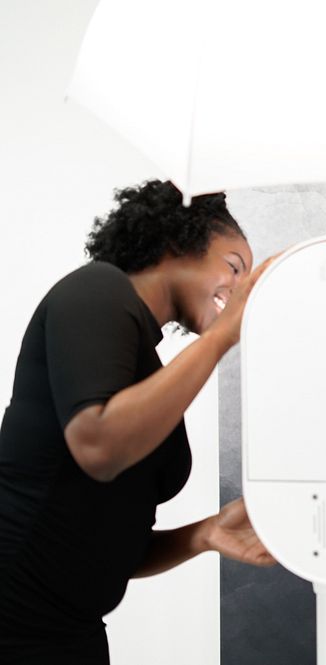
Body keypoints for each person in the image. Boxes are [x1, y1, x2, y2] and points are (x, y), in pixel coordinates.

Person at [0, 180, 277, 664]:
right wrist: (220, 339)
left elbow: (107, 544)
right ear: (178, 241)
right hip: (16, 627)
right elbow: (98, 447)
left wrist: (205, 533)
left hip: (72, 633)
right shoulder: (96, 290)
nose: (239, 290)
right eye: (234, 267)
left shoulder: (141, 361)